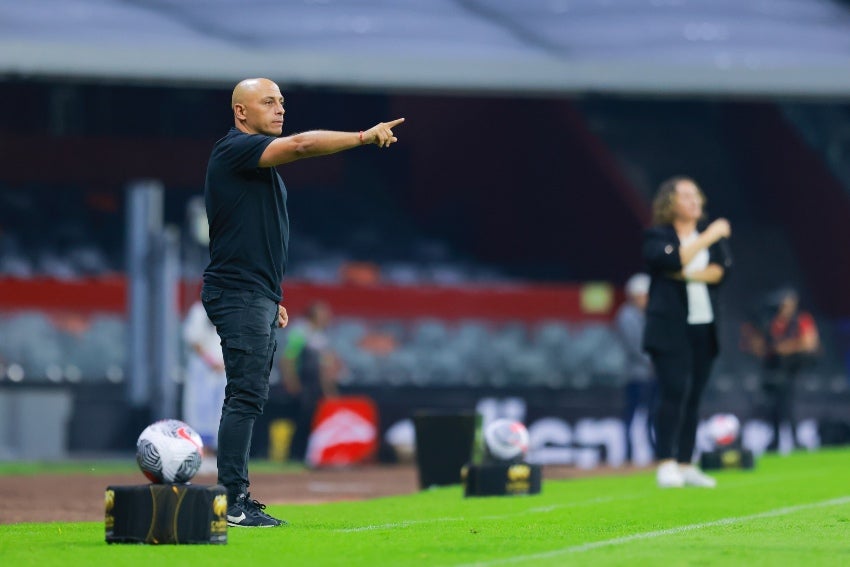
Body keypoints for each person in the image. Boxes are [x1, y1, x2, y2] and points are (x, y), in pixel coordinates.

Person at [201, 77, 404, 527]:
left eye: (282, 102)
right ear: (241, 112)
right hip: (237, 293)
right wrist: (362, 136)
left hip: (252, 292)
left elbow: (253, 237)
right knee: (246, 394)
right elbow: (301, 146)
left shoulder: (253, 163)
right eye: (268, 102)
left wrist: (271, 296)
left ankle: (235, 498)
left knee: (248, 394)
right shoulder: (234, 148)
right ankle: (231, 501)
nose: (279, 109)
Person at [642, 176, 732, 488]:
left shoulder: (711, 242)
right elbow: (672, 258)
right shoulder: (657, 235)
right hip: (669, 329)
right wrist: (707, 236)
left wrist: (683, 273)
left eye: (697, 195)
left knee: (694, 396)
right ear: (670, 203)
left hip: (703, 326)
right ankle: (665, 462)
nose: (695, 201)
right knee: (673, 392)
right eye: (686, 196)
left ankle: (685, 462)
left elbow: (719, 272)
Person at [742, 287, 820, 452]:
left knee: (789, 404)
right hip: (774, 369)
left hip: (796, 368)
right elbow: (758, 346)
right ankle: (775, 440)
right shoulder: (770, 322)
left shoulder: (801, 319)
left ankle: (795, 439)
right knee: (774, 405)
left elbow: (810, 342)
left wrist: (786, 348)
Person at [279, 301, 340, 463]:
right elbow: (288, 359)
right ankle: (293, 455)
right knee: (300, 421)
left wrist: (328, 390)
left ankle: (307, 455)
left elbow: (324, 367)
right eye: (323, 314)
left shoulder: (321, 337)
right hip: (303, 383)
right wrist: (291, 381)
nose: (327, 317)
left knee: (311, 420)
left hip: (315, 385)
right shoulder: (300, 332)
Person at [615, 272, 656, 464]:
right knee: (632, 417)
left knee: (652, 416)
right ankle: (629, 455)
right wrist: (655, 361)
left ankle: (655, 452)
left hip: (652, 375)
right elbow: (635, 346)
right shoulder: (626, 315)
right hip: (636, 376)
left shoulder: (651, 315)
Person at [181, 300, 227, 471]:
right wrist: (211, 362)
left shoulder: (230, 308)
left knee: (219, 412)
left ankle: (213, 454)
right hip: (203, 371)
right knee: (200, 410)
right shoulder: (199, 311)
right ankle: (200, 454)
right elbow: (194, 340)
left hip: (222, 371)